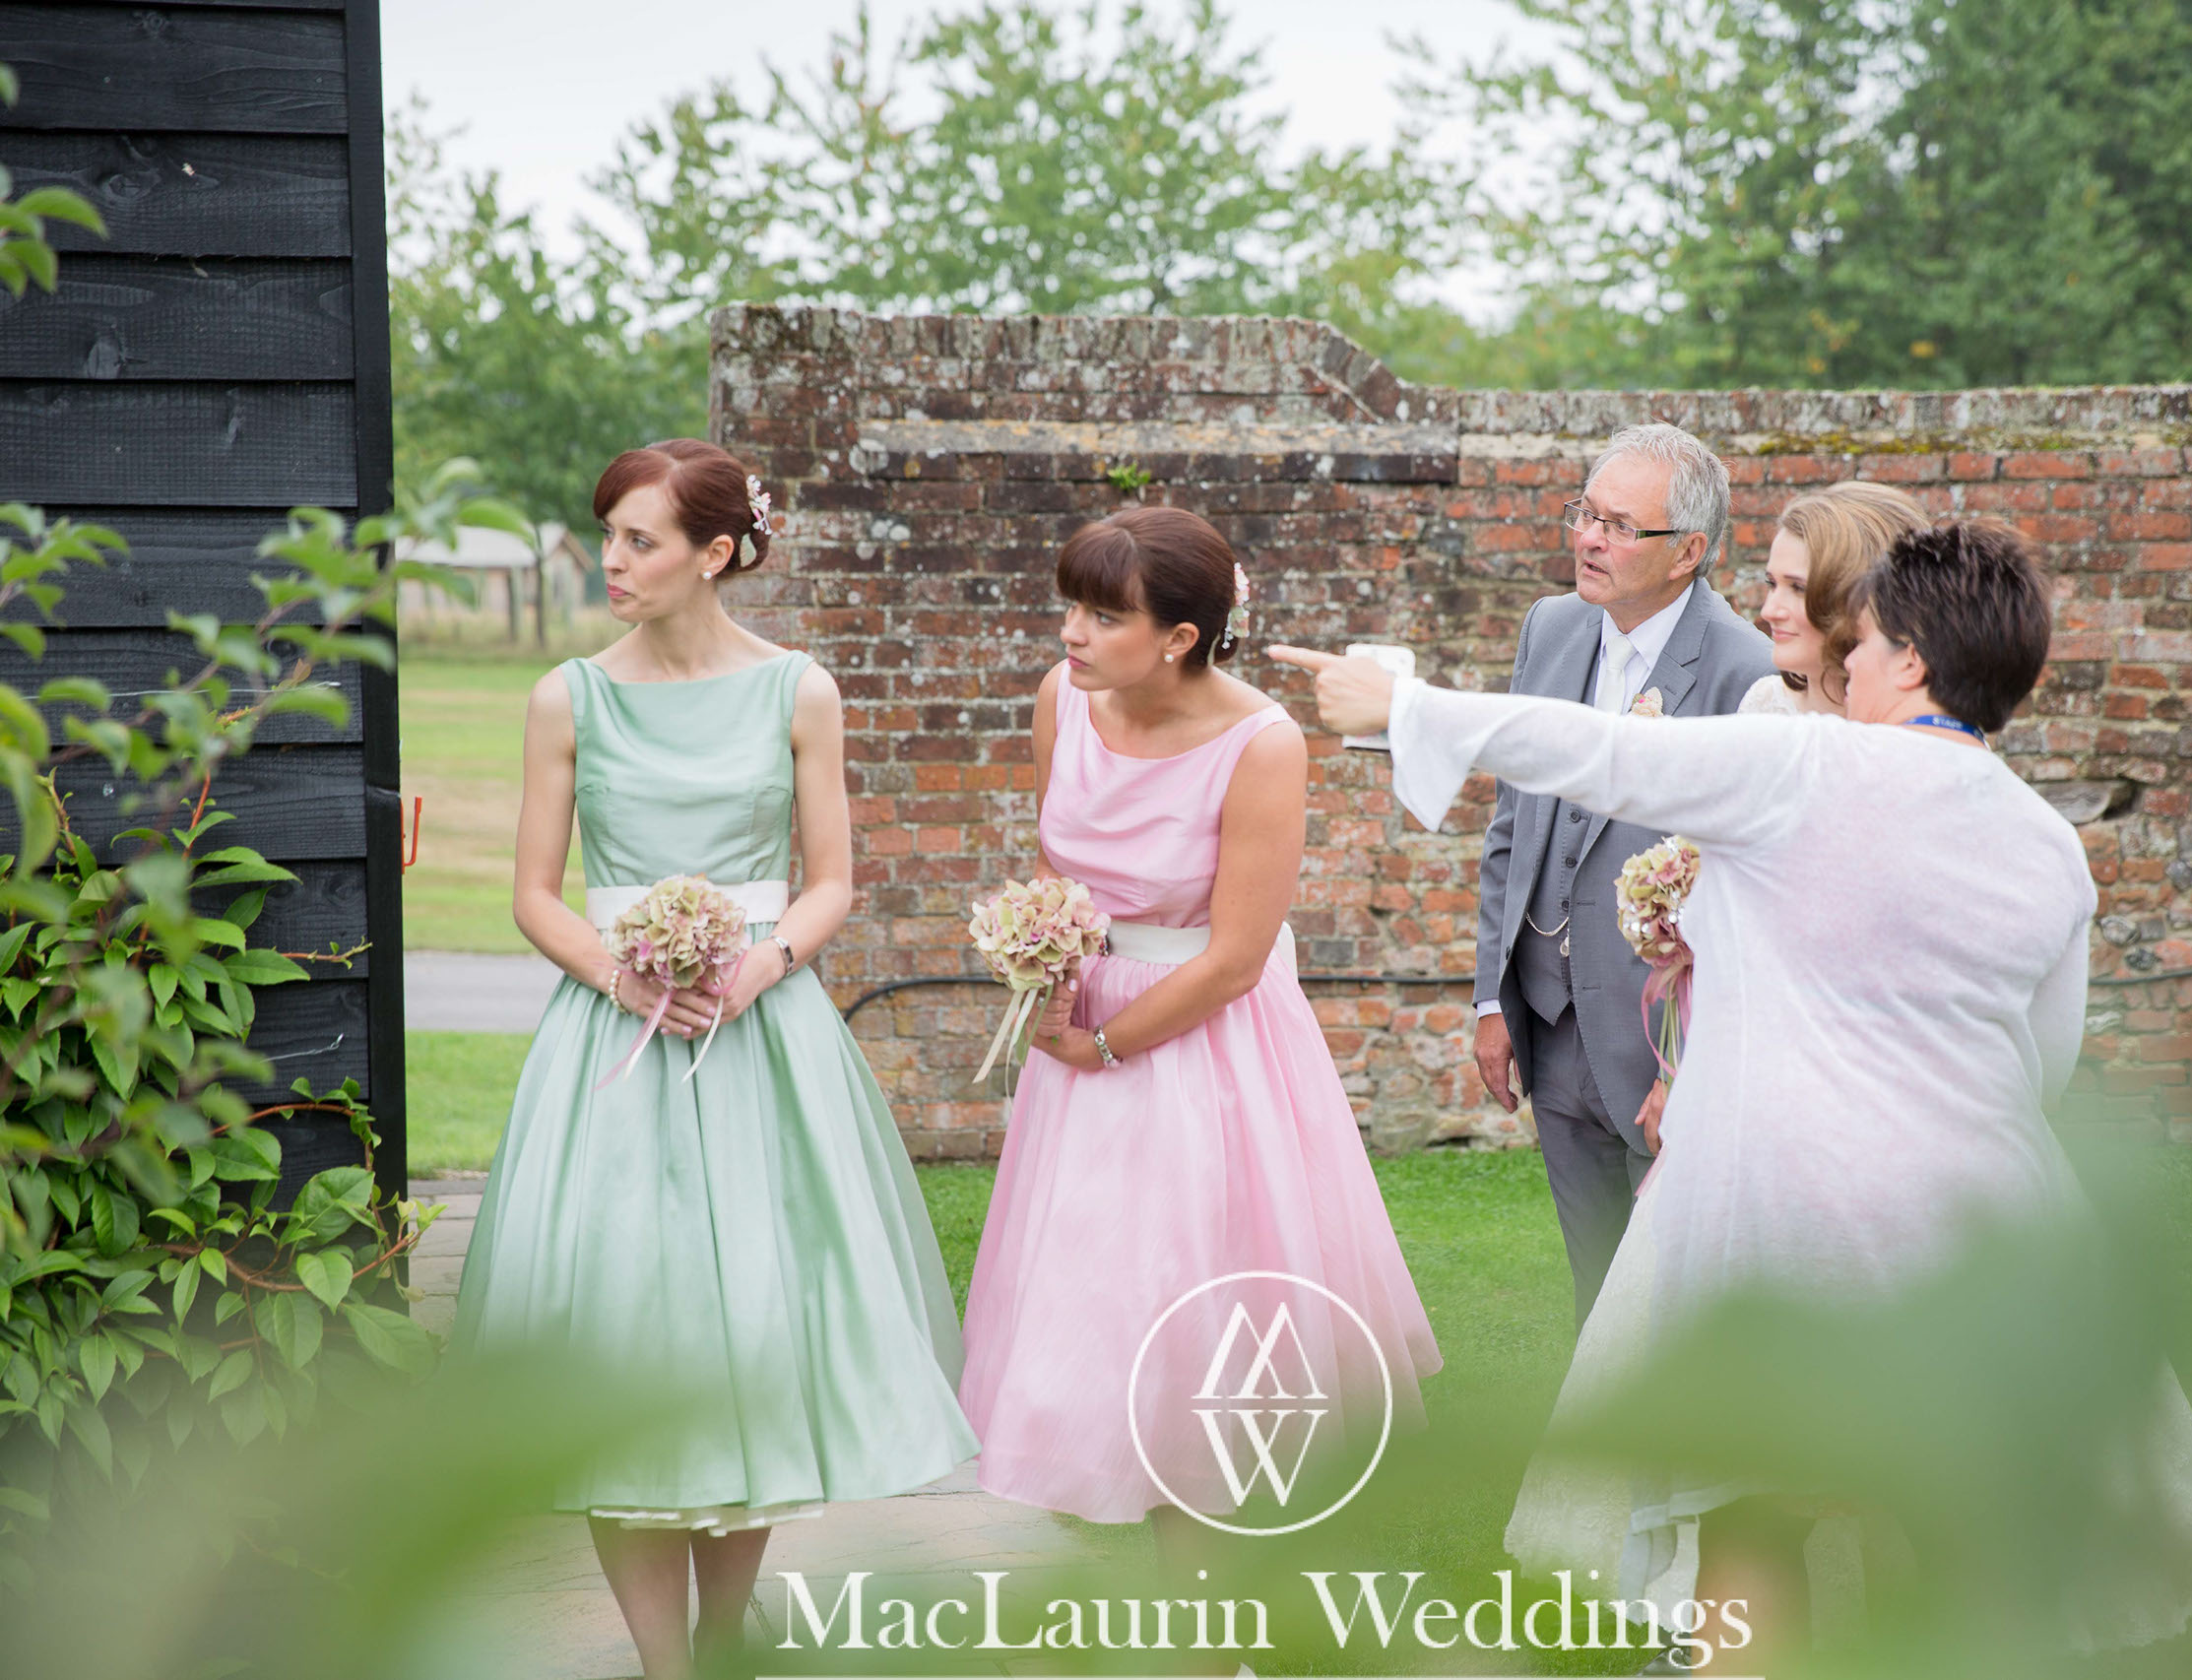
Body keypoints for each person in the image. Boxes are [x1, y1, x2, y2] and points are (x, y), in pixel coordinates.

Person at [1269, 522, 2192, 1664]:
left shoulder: (1800, 763)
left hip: (1782, 1201)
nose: (1848, 651)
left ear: (1915, 661)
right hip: (1987, 1223)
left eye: (1870, 636)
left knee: (1751, 1520)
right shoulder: (2049, 845)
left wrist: (1405, 704)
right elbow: (2045, 1060)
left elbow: (1596, 751)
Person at [453, 440, 977, 1680]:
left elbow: (833, 876)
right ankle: (662, 1663)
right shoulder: (564, 696)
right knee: (620, 1338)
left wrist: (759, 962)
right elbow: (533, 894)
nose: (612, 561)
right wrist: (624, 974)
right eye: (610, 536)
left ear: (717, 553)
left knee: (750, 1330)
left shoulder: (799, 688)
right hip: (613, 1054)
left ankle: (729, 1635)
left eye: (639, 539)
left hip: (760, 1039)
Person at [957, 506, 1441, 1536]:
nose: (1070, 635)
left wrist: (1106, 1041)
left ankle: (1205, 1590)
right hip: (1078, 1029)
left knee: (1193, 1304)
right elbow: (1059, 864)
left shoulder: (1260, 743)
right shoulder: (1064, 699)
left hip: (1203, 1048)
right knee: (1076, 1310)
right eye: (1069, 609)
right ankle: (1098, 1538)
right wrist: (1047, 965)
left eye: (1101, 615)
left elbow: (1233, 958)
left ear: (1179, 638)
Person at [1472, 424, 1774, 1321]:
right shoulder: (1552, 627)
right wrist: (1492, 1000)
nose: (1588, 540)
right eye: (1584, 514)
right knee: (1593, 1296)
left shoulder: (1745, 673)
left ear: (1689, 552)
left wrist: (1692, 1063)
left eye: (1618, 526)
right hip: (1547, 1026)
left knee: (1674, 1302)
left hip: (1663, 1052)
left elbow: (1751, 893)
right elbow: (1510, 821)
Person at [1739, 480, 1928, 717]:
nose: (1769, 611)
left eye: (1798, 588)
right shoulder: (1764, 705)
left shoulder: (1925, 727)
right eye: (1772, 584)